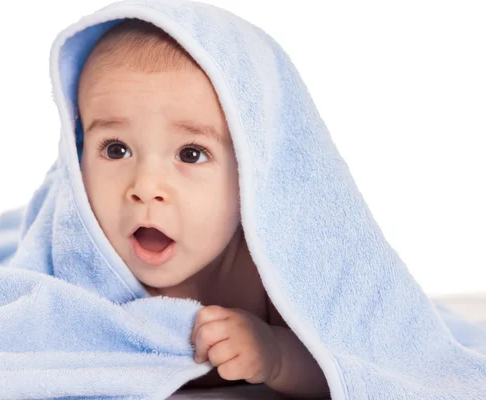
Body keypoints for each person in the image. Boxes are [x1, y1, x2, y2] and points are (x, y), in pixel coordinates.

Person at [77, 18, 330, 398]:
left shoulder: (267, 271)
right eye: (117, 149)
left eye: (190, 154)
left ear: (251, 169)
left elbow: (344, 369)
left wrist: (275, 354)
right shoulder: (80, 266)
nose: (145, 187)